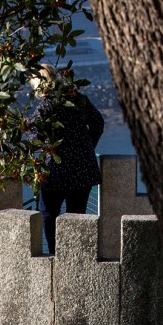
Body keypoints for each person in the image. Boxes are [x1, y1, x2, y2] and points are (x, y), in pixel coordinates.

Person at [30, 64, 105, 256]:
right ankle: (76, 256)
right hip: (82, 170)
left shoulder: (46, 107)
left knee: (49, 215)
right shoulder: (78, 100)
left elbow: (34, 139)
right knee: (77, 216)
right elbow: (98, 122)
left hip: (54, 172)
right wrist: (87, 148)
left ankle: (56, 255)